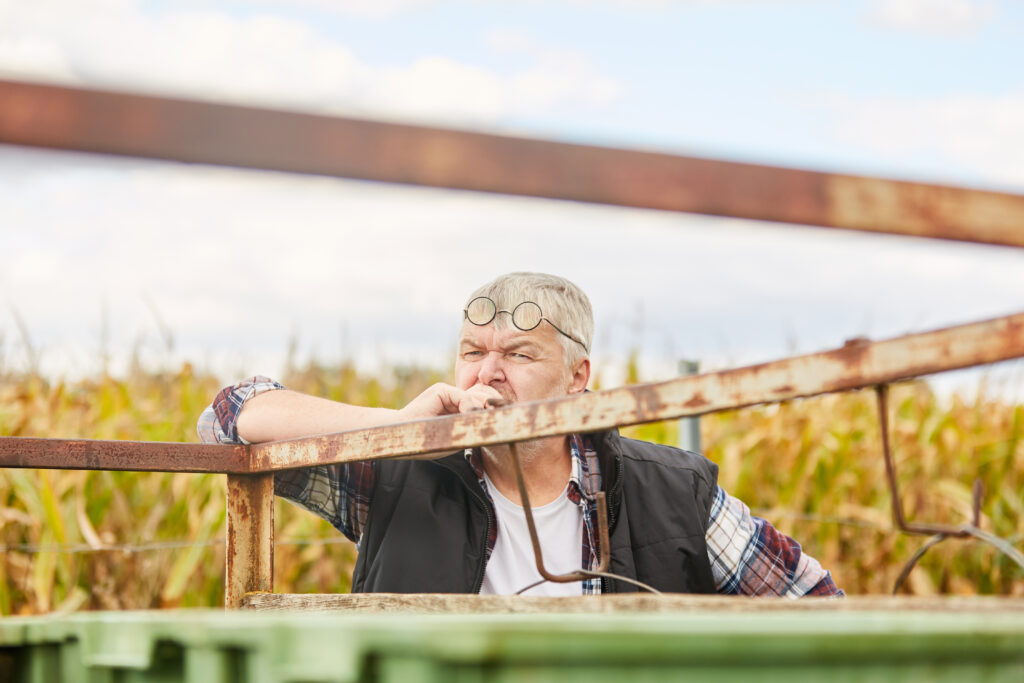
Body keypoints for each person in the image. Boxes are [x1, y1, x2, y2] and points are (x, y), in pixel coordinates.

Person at [198, 272, 843, 596]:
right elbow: (228, 418)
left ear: (577, 376)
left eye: (520, 355)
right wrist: (396, 429)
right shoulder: (399, 471)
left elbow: (814, 603)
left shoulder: (670, 490)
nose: (489, 373)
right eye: (472, 352)